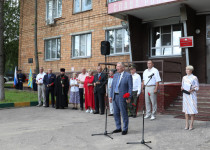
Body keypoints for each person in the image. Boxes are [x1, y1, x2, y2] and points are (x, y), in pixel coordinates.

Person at [110, 62, 132, 135]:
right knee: (116, 113)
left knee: (123, 113)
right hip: (115, 96)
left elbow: (130, 87)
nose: (117, 68)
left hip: (122, 97)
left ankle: (125, 128)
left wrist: (129, 97)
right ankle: (118, 127)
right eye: (117, 66)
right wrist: (110, 96)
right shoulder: (115, 75)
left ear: (123, 68)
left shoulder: (128, 75)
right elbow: (112, 86)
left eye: (119, 66)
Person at [181, 65, 199, 130]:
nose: (186, 71)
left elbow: (197, 87)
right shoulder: (184, 77)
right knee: (186, 110)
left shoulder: (194, 78)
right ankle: (186, 124)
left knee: (192, 110)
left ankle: (191, 125)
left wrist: (192, 90)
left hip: (192, 95)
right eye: (186, 69)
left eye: (188, 69)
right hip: (185, 95)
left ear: (191, 70)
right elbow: (182, 85)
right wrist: (182, 88)